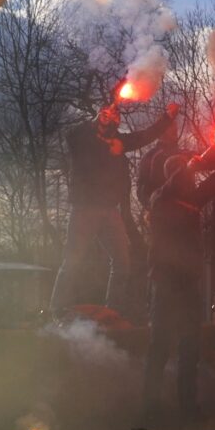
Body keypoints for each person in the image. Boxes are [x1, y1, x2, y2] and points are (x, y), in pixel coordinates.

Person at [141, 135, 215, 422]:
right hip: (165, 284)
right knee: (159, 346)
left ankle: (188, 407)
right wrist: (189, 165)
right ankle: (149, 407)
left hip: (188, 285)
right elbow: (176, 181)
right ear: (177, 175)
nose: (193, 181)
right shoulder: (159, 199)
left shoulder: (191, 199)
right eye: (186, 174)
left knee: (190, 348)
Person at [49, 98, 179, 316]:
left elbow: (145, 136)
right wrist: (94, 122)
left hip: (110, 210)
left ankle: (112, 311)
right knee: (73, 259)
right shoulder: (84, 137)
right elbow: (71, 135)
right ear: (100, 117)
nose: (113, 116)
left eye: (117, 116)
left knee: (122, 262)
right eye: (108, 113)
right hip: (84, 208)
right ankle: (57, 309)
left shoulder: (119, 140)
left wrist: (168, 117)